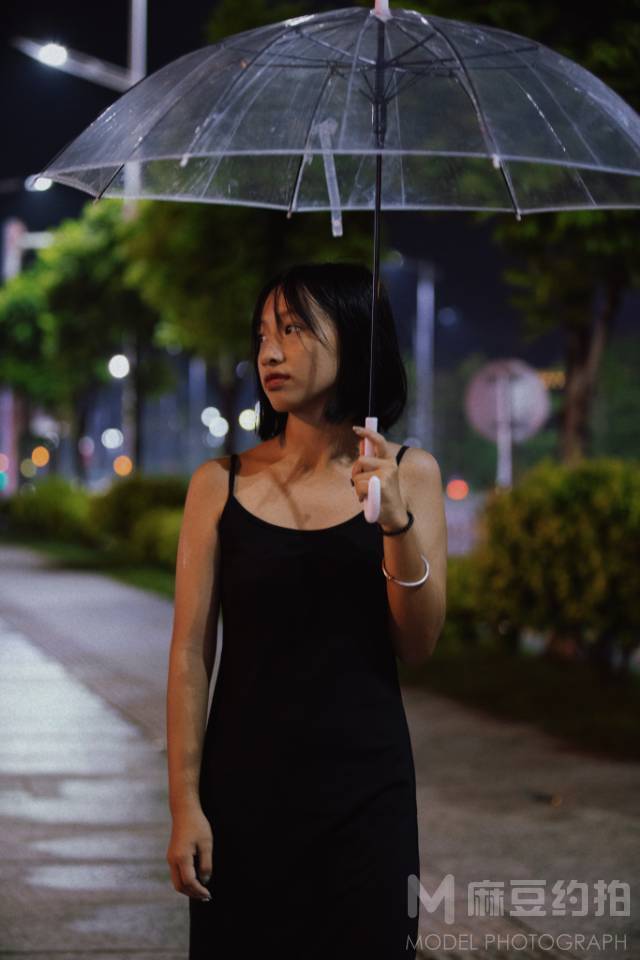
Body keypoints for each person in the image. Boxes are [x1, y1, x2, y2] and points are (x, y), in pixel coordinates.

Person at [165, 261, 447, 959]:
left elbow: (418, 645)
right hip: (243, 795)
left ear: (353, 336)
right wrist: (184, 803)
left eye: (293, 330)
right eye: (264, 334)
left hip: (367, 796)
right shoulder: (219, 484)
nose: (269, 352)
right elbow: (190, 655)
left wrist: (396, 522)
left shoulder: (410, 475)